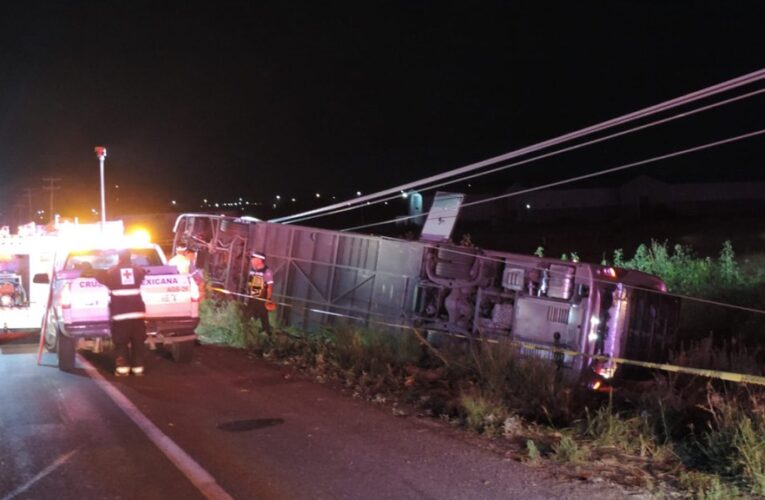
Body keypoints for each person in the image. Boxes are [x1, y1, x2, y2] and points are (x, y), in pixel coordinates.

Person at [96, 250, 147, 376]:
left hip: (120, 314)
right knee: (138, 341)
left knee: (121, 342)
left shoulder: (112, 272)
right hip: (137, 313)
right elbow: (143, 275)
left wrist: (91, 272)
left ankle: (123, 369)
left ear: (119, 258)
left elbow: (102, 278)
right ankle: (138, 369)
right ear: (130, 258)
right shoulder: (138, 270)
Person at [245, 250, 274, 335]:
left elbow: (270, 286)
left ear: (259, 260)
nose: (251, 260)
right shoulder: (252, 270)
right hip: (252, 297)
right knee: (248, 313)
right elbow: (250, 282)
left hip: (261, 298)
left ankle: (267, 332)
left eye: (253, 259)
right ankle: (246, 330)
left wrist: (268, 299)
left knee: (263, 315)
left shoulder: (267, 272)